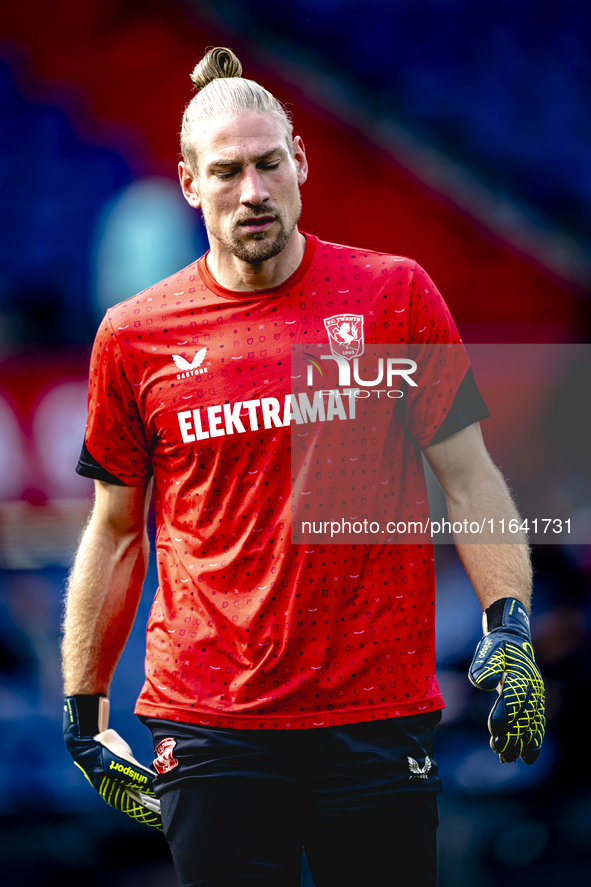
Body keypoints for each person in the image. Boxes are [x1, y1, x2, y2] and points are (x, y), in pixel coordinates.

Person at [62, 47, 545, 887]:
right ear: (188, 185)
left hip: (376, 712)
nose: (252, 191)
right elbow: (114, 530)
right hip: (210, 722)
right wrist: (82, 706)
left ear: (300, 163)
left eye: (267, 164)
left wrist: (508, 624)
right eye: (226, 173)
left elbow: (469, 476)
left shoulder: (392, 293)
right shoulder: (133, 335)